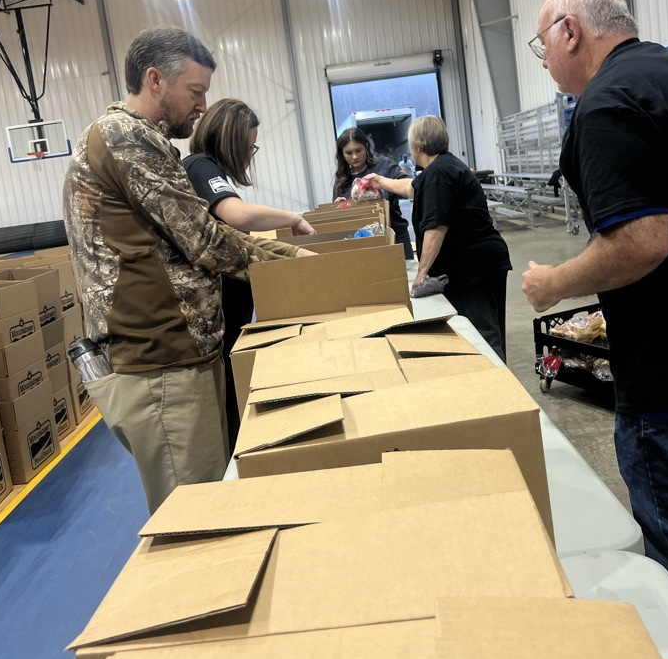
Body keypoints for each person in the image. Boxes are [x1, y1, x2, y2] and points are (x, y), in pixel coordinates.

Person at [521, 0, 668, 650]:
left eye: (541, 44)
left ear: (570, 32)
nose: (546, 60)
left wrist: (555, 281)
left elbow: (645, 239)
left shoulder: (607, 103)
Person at [63, 26, 314, 514]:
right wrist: (293, 261)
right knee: (200, 518)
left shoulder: (146, 144)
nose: (202, 106)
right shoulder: (126, 139)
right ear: (155, 80)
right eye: (194, 92)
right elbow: (204, 238)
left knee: (214, 493)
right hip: (162, 362)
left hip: (178, 356)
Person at [183, 99, 317, 449]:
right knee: (231, 420)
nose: (251, 154)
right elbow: (239, 217)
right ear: (230, 141)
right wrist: (293, 218)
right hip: (219, 325)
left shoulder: (209, 172)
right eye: (248, 146)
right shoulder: (200, 167)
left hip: (231, 321)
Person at [367, 115, 511, 361]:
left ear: (417, 147)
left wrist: (421, 274)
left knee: (482, 332)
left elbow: (436, 228)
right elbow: (409, 187)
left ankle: (499, 390)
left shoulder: (438, 174)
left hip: (473, 267)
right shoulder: (441, 168)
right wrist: (380, 181)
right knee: (486, 329)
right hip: (483, 261)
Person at [332, 127, 414, 259]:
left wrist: (382, 184)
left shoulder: (384, 165)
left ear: (366, 147)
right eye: (348, 153)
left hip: (395, 234)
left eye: (358, 151)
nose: (354, 157)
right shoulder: (342, 179)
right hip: (363, 242)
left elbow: (408, 185)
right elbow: (337, 215)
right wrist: (339, 207)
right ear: (342, 154)